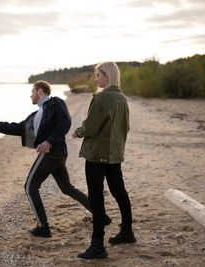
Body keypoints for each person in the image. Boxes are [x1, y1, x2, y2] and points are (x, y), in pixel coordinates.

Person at [0, 80, 111, 238]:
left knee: (30, 187)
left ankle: (43, 227)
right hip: (57, 156)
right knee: (67, 189)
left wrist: (49, 141)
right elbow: (19, 128)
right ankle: (101, 217)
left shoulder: (55, 103)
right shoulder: (36, 115)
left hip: (52, 154)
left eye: (32, 91)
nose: (30, 95)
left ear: (40, 91)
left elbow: (65, 122)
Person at [72, 62, 136, 259]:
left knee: (96, 198)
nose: (96, 79)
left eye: (98, 75)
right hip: (114, 154)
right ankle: (127, 232)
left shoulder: (101, 98)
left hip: (97, 154)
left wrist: (78, 131)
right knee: (119, 192)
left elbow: (91, 126)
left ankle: (97, 245)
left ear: (107, 76)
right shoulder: (122, 98)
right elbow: (125, 127)